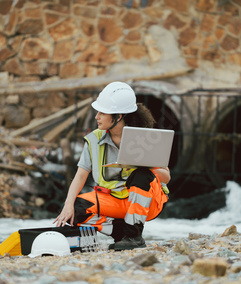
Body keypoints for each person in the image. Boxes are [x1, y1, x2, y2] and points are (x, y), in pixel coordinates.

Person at [53, 81, 170, 250]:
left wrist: (140, 166)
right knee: (75, 209)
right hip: (113, 200)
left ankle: (134, 236)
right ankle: (122, 233)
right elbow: (80, 175)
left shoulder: (145, 138)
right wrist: (68, 205)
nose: (96, 117)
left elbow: (166, 177)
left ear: (118, 116)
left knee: (141, 175)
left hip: (147, 203)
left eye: (102, 113)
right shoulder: (93, 139)